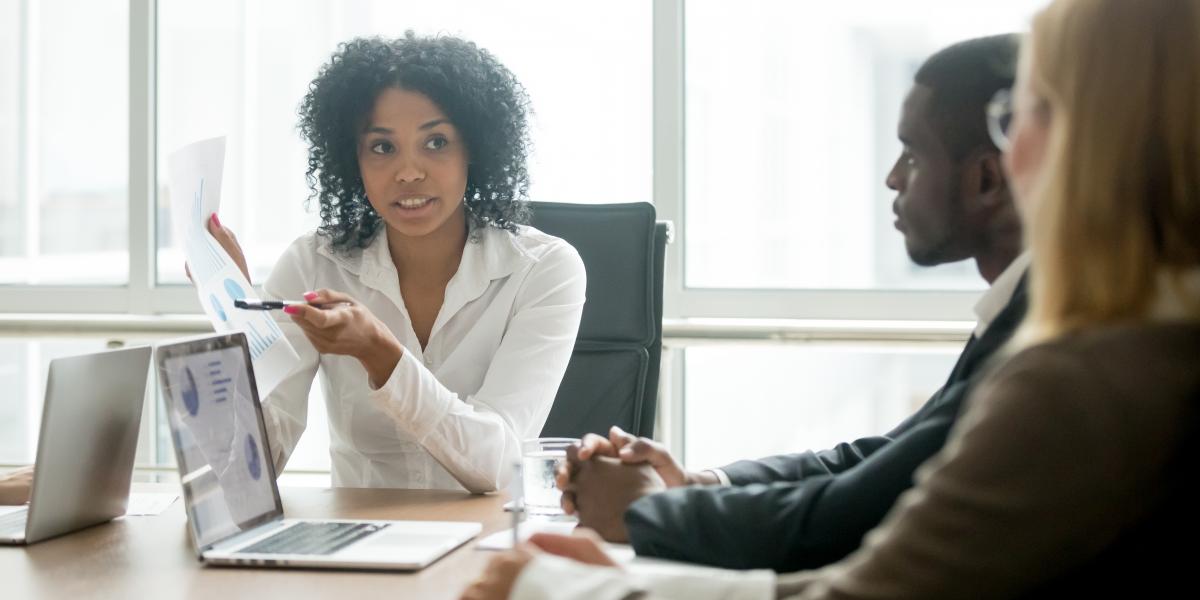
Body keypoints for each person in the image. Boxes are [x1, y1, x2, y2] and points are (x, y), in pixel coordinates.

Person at [463, 0, 1200, 596]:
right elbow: (901, 471)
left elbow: (867, 535)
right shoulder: (1122, 336)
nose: (891, 179)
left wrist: (586, 579)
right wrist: (685, 500)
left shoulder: (1088, 371)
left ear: (1094, 140)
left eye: (1023, 114)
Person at [558, 34, 1026, 572]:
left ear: (987, 178)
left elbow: (850, 517)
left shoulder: (1040, 335)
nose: (893, 177)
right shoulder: (1017, 309)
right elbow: (883, 461)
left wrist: (651, 510)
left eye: (914, 154)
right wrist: (700, 483)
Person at [204, 33, 586, 493]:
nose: (408, 172)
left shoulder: (542, 270)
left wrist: (380, 353)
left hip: (487, 545)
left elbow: (497, 464)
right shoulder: (313, 264)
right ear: (354, 160)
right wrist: (240, 318)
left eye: (436, 142)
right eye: (383, 148)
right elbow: (253, 466)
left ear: (474, 150)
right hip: (358, 545)